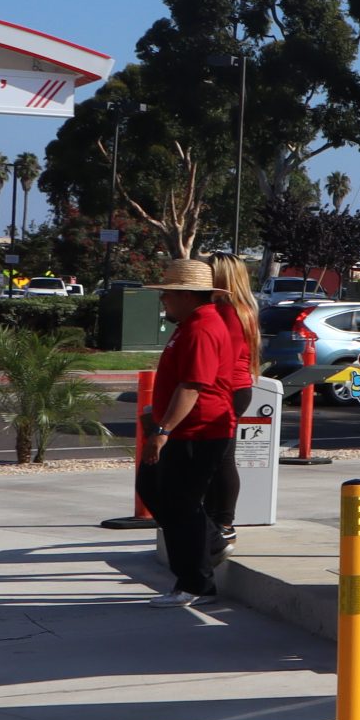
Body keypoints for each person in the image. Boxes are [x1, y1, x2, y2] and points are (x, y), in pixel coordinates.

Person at [139, 259, 238, 606]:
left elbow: (193, 384)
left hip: (198, 430)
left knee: (182, 504)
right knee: (154, 488)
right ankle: (210, 543)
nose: (162, 299)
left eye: (167, 293)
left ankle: (196, 583)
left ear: (186, 296)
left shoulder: (201, 328)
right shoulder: (190, 324)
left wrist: (163, 429)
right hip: (188, 428)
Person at [206, 255, 261, 557]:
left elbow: (220, 357)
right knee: (218, 456)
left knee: (222, 457)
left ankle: (224, 523)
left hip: (230, 389)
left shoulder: (229, 311)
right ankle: (218, 520)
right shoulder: (239, 308)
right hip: (235, 388)